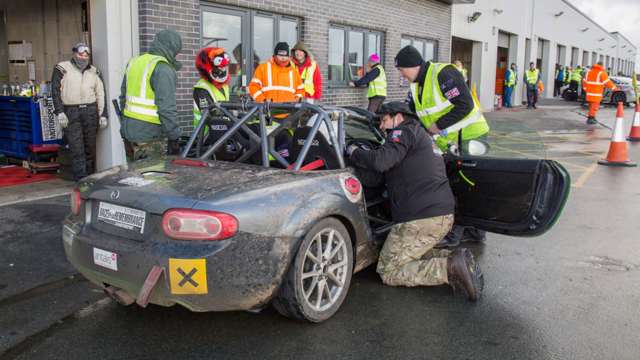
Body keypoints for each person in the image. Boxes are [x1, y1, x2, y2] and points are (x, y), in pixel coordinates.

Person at [346, 101, 483, 301]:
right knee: (410, 254)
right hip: (439, 215)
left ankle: (448, 268)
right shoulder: (420, 136)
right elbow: (379, 176)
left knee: (389, 270)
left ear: (398, 117)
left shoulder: (403, 133)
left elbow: (379, 161)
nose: (382, 127)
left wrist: (353, 152)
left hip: (421, 218)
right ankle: (457, 258)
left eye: (384, 120)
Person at [395, 45, 489, 153]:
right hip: (449, 142)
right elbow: (411, 110)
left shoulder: (442, 74)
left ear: (414, 65)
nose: (401, 75)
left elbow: (465, 105)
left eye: (401, 70)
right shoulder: (416, 85)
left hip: (470, 136)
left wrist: (438, 125)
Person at [119, 29, 183, 161]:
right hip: (148, 136)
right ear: (171, 47)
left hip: (128, 131)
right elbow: (166, 108)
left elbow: (123, 98)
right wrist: (174, 137)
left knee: (133, 178)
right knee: (153, 178)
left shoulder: (134, 62)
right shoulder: (163, 68)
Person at [51, 43, 108, 180]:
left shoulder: (94, 71)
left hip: (90, 111)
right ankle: (81, 180)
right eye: (80, 54)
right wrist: (59, 111)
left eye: (86, 55)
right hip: (71, 111)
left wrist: (103, 114)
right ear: (74, 53)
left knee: (90, 147)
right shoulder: (62, 68)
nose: (83, 57)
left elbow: (100, 93)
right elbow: (55, 91)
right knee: (77, 148)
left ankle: (90, 179)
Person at [192, 47, 231, 130]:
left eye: (224, 67)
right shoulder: (201, 87)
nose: (223, 70)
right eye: (220, 68)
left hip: (224, 131)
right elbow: (210, 114)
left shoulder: (224, 86)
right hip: (205, 135)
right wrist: (233, 113)